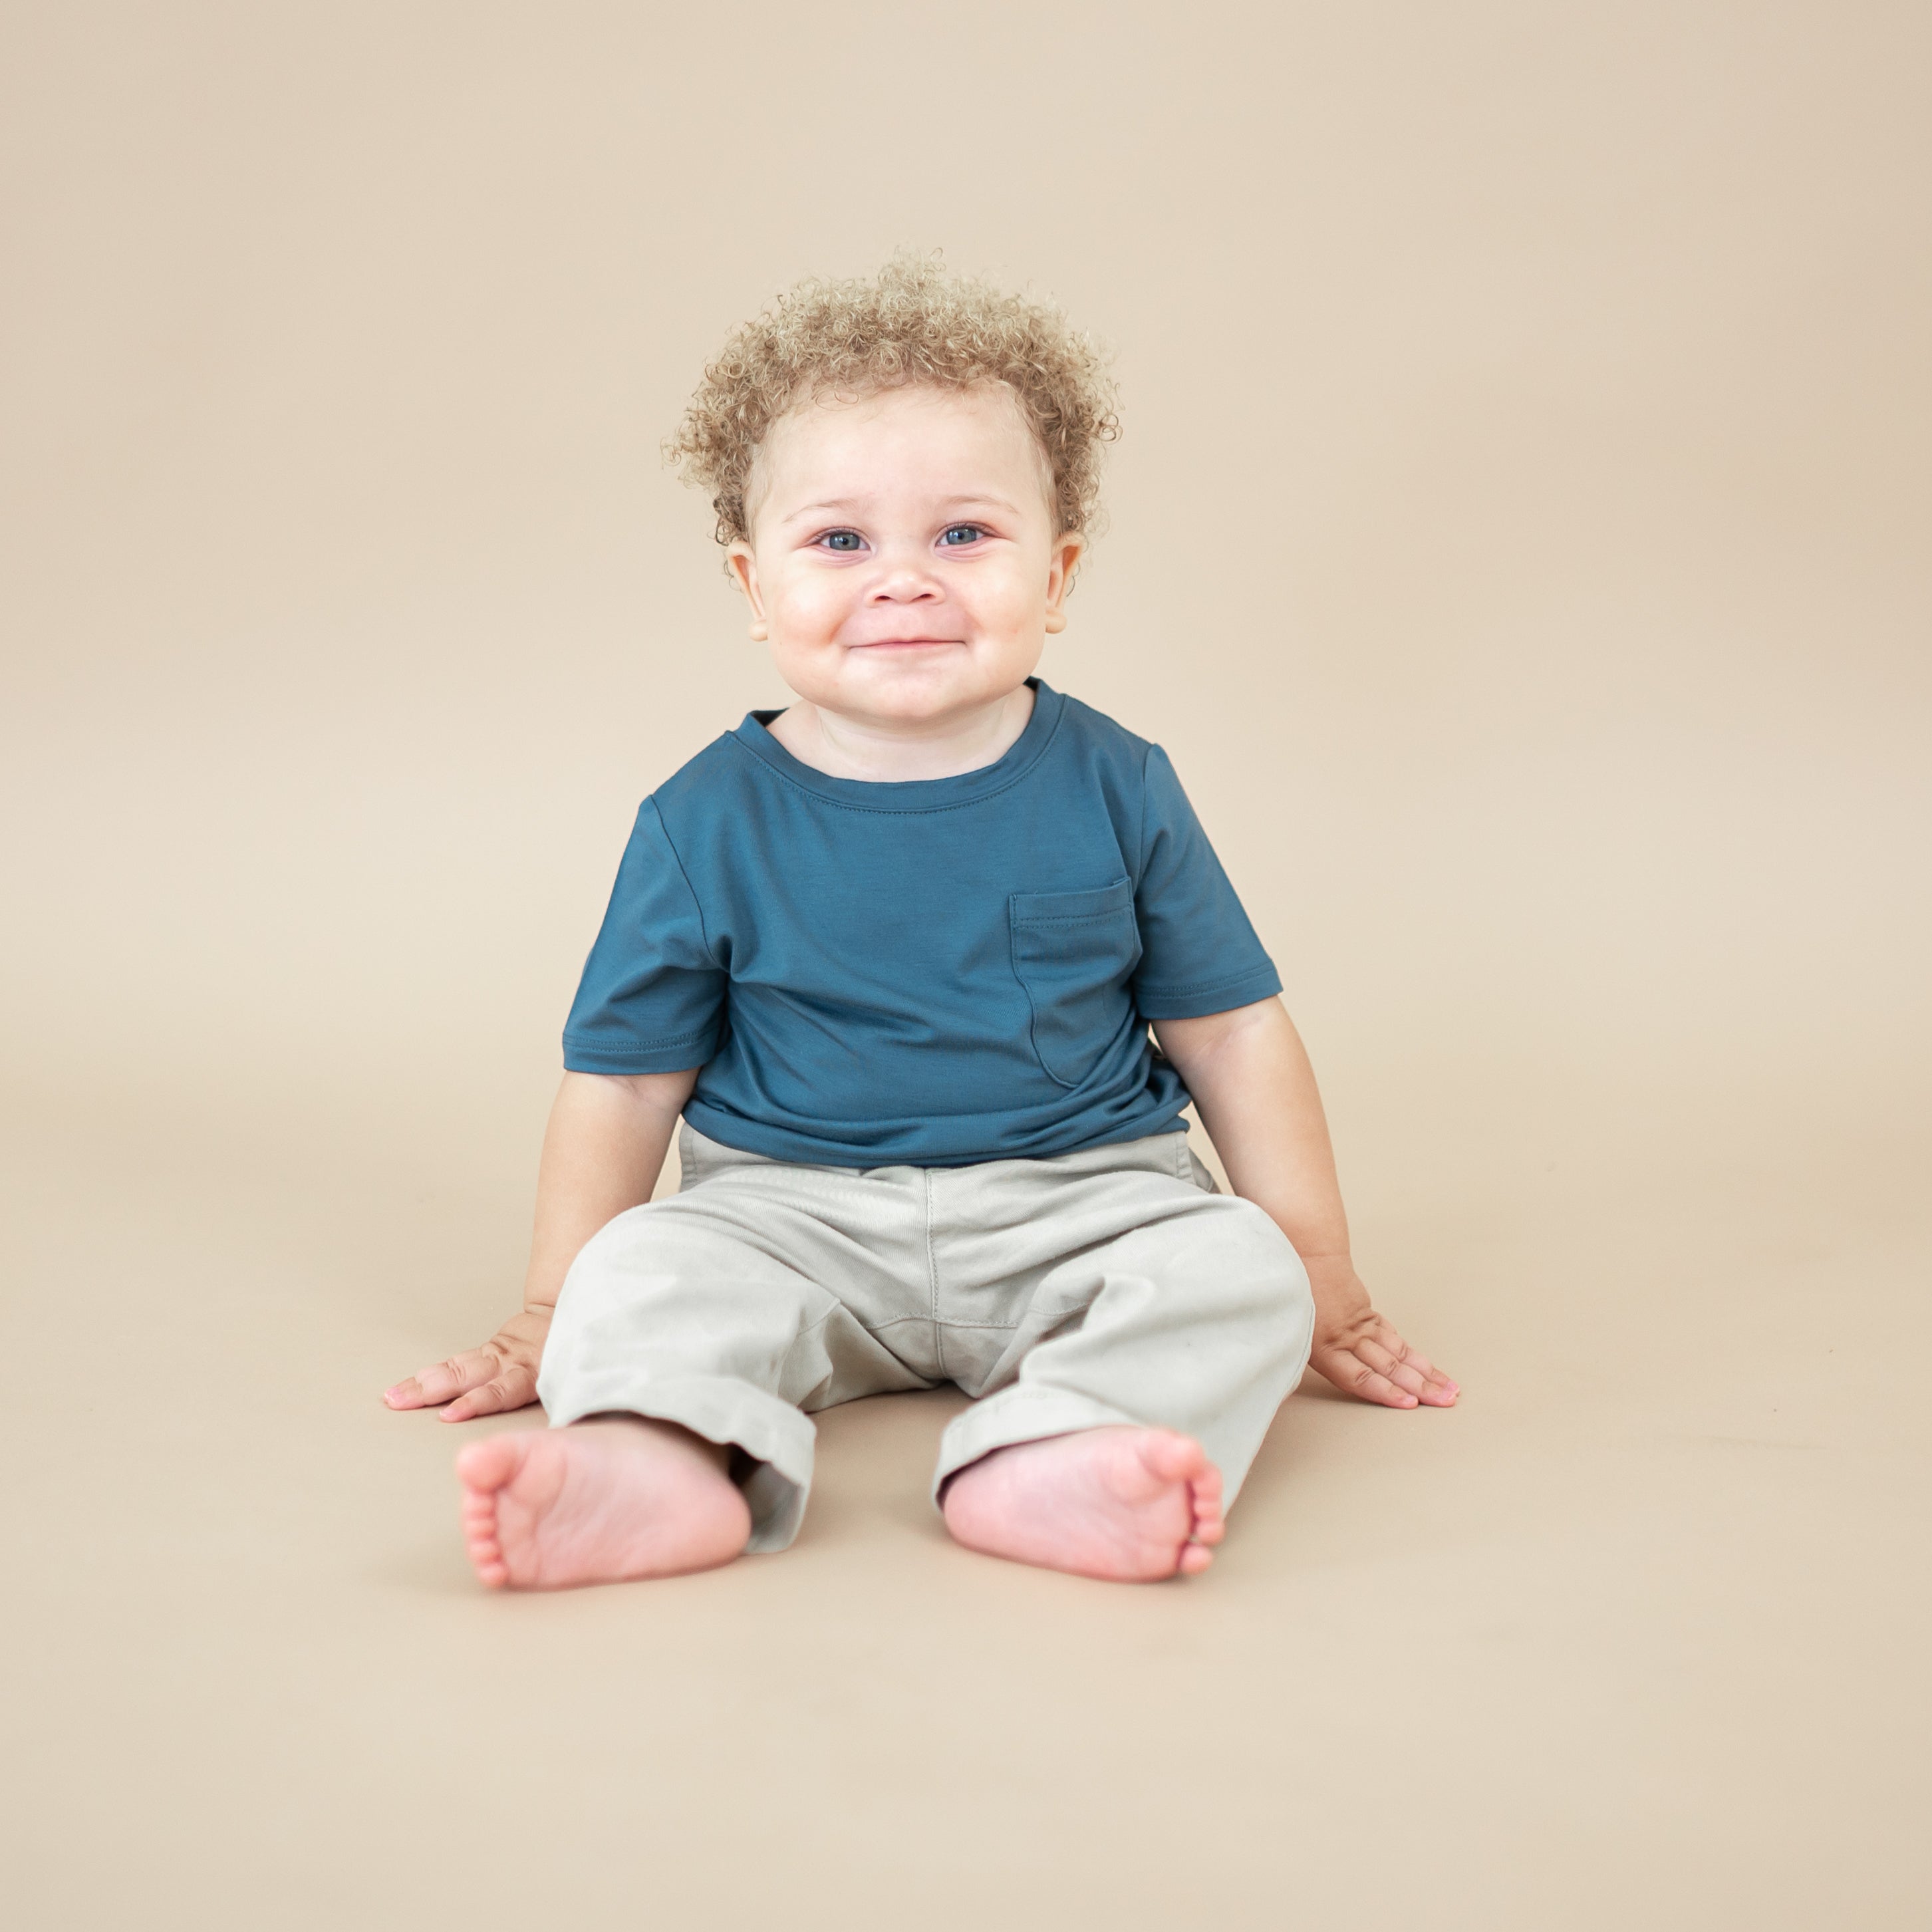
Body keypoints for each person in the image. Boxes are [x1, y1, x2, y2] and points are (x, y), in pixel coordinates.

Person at [383, 257, 1457, 1588]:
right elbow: (625, 1079)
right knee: (644, 1270)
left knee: (1237, 1268)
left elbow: (1231, 1032)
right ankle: (654, 1457)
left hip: (1085, 1203)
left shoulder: (1117, 781)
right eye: (840, 541)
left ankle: (1061, 1450)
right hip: (786, 1217)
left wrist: (1321, 1275)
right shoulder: (701, 819)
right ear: (749, 582)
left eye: (964, 534)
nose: (904, 581)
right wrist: (550, 1307)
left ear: (1055, 572)